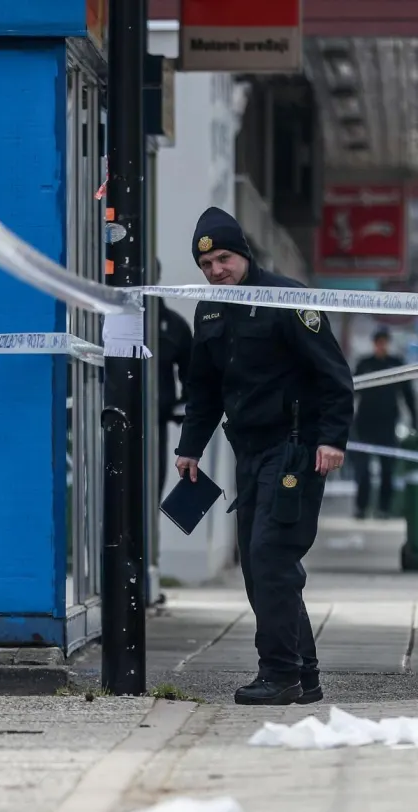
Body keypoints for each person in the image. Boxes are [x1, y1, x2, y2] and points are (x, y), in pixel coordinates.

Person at [174, 207, 354, 706]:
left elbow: (334, 377)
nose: (216, 272)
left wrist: (332, 439)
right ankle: (305, 674)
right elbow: (204, 386)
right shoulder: (209, 310)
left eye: (224, 260)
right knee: (261, 570)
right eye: (206, 266)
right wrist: (191, 447)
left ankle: (279, 675)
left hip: (295, 450)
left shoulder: (285, 298)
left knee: (271, 559)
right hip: (248, 452)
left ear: (244, 254)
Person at [352, 328, 417, 519]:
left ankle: (384, 508)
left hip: (387, 424)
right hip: (364, 424)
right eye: (378, 342)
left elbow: (407, 395)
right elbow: (352, 391)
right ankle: (361, 507)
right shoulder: (365, 364)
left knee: (387, 468)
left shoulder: (395, 364)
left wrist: (414, 420)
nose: (381, 346)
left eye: (384, 342)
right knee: (362, 470)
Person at [153, 261, 192, 499]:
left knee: (149, 493)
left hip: (155, 423)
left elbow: (192, 374)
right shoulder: (104, 321)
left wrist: (181, 409)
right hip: (105, 424)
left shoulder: (173, 326)